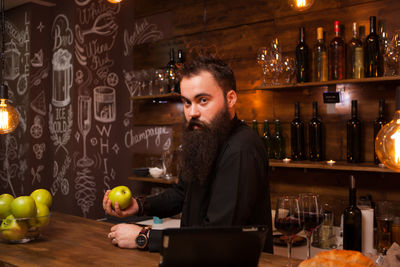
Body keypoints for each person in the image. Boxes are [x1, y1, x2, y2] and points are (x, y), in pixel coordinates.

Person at [103, 56, 273, 253]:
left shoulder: (241, 149)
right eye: (186, 102)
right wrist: (139, 206)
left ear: (231, 98)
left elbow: (218, 237)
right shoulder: (206, 139)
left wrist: (144, 237)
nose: (192, 112)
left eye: (202, 100)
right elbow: (181, 193)